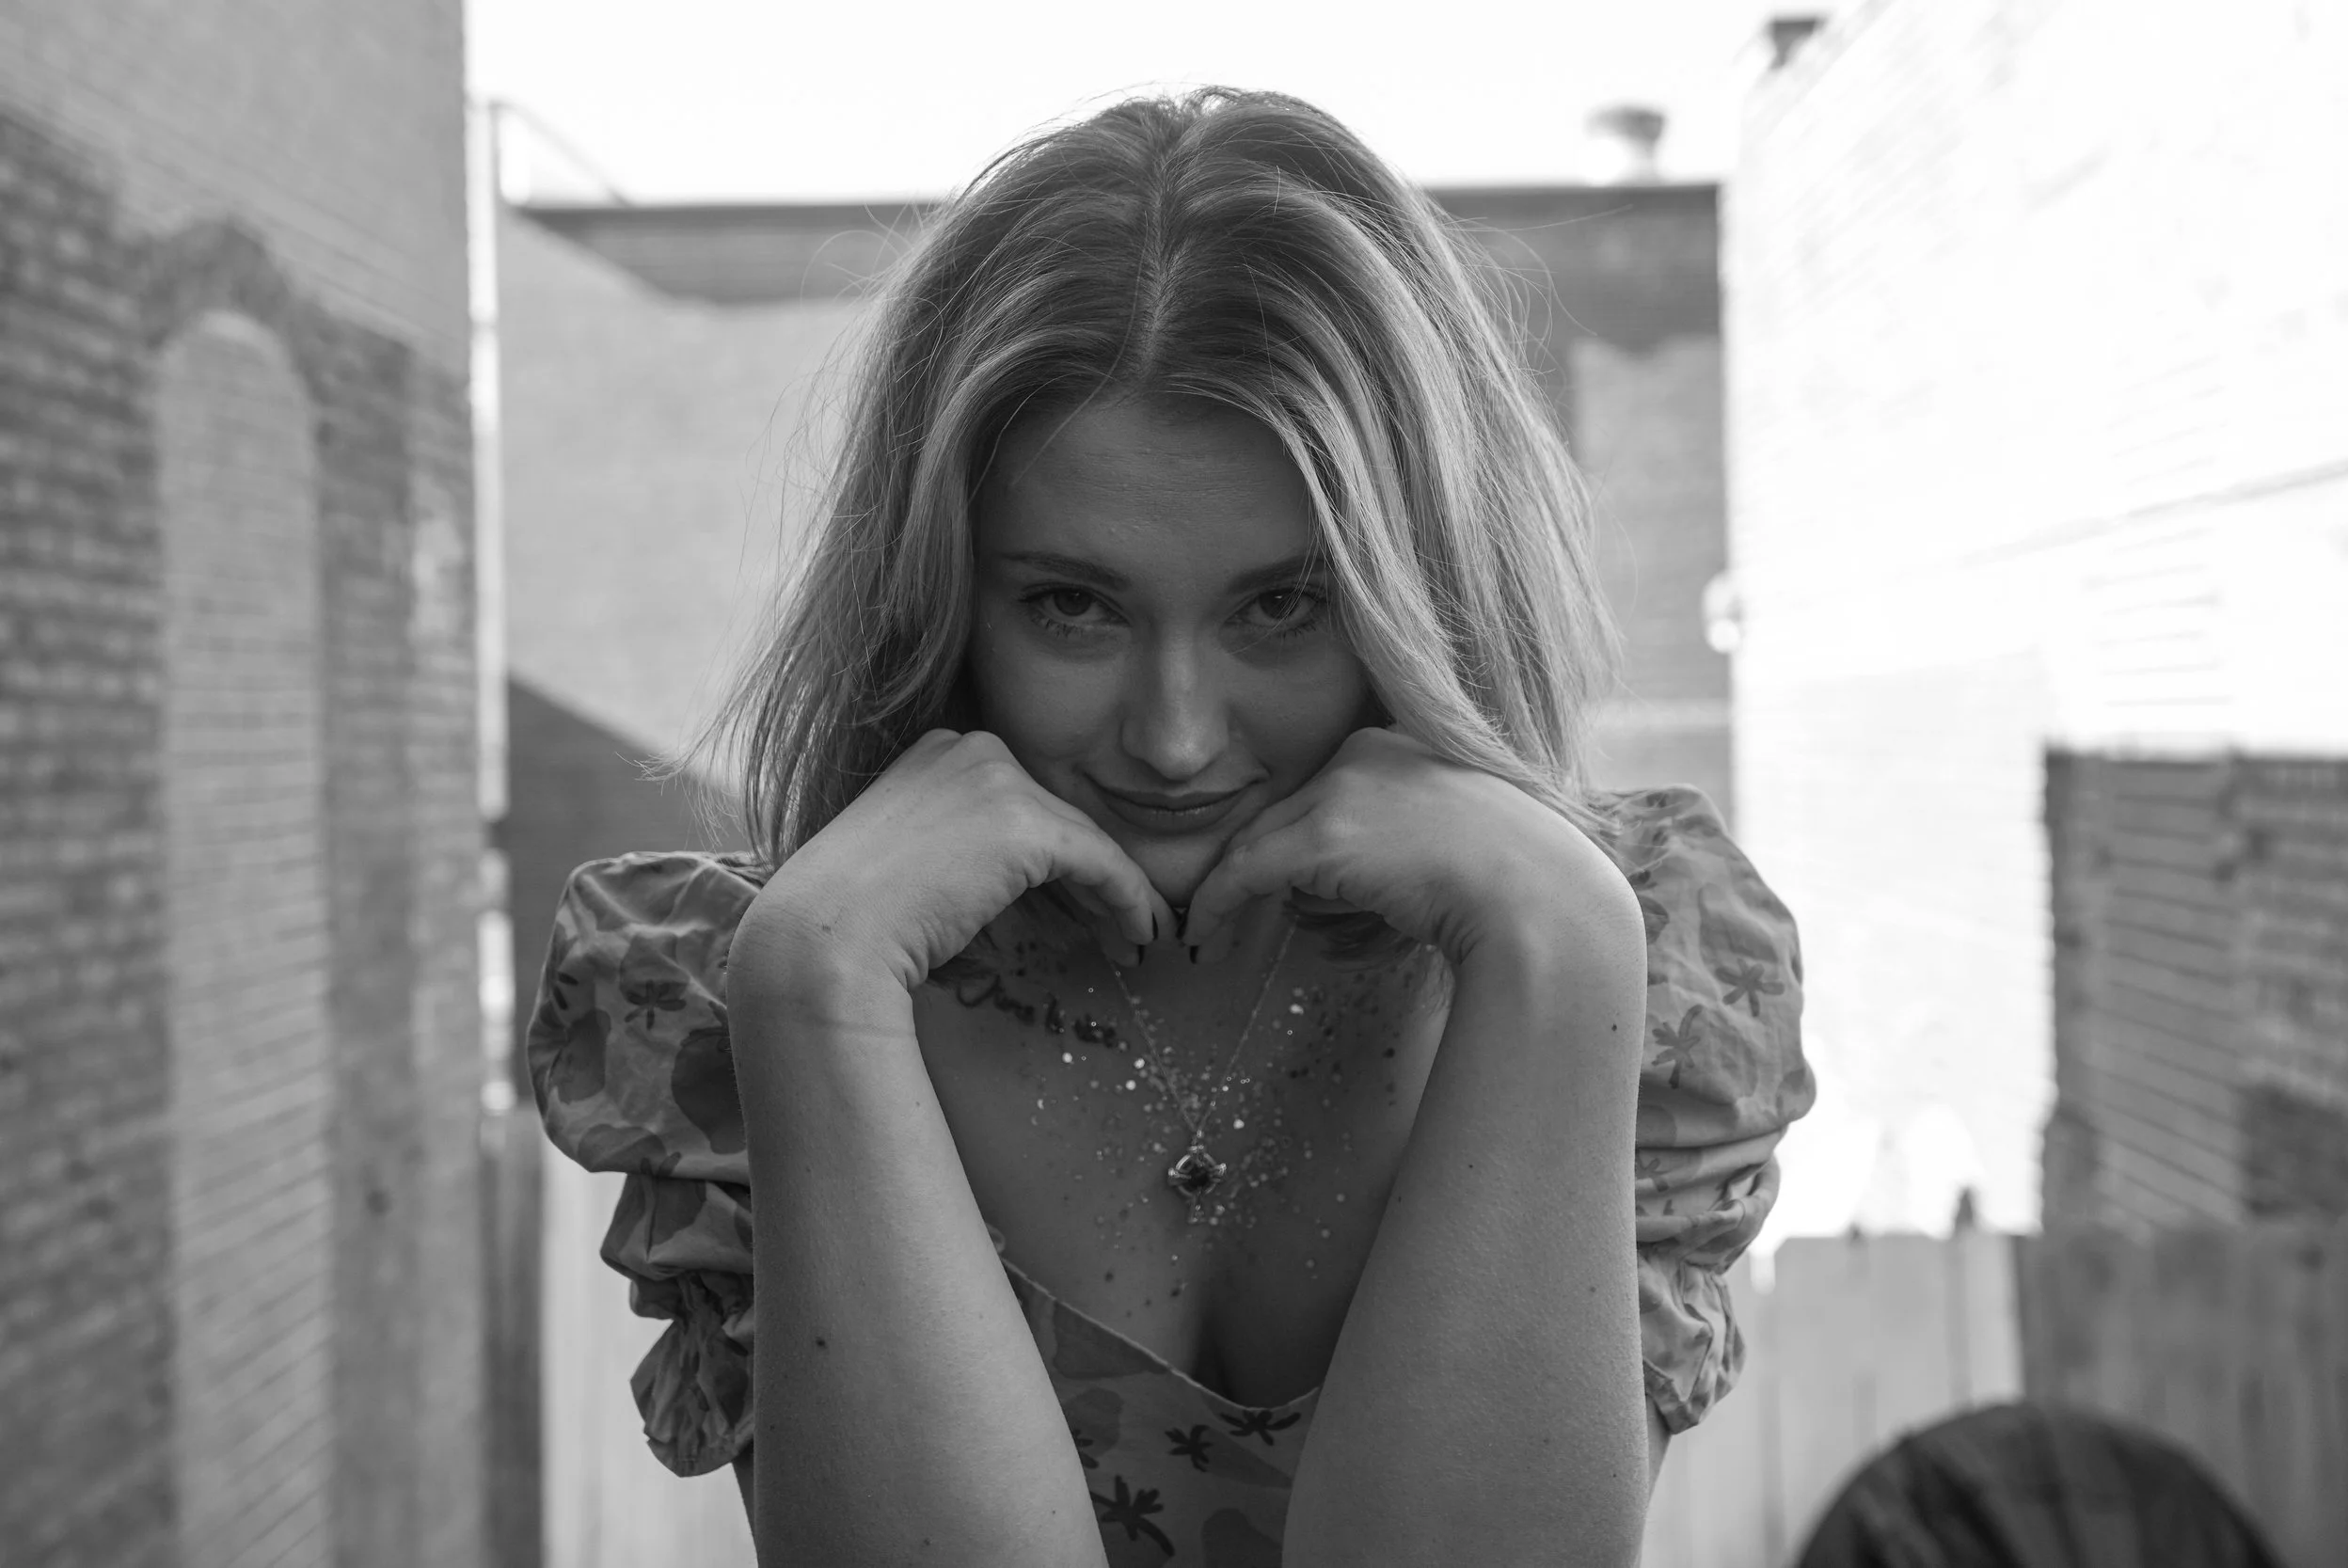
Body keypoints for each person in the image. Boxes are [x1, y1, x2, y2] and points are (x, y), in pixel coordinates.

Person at [526, 87, 1812, 1567]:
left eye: (1286, 604)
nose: (1176, 735)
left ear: (1431, 592)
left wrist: (1559, 946)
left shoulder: (1635, 976)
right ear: (941, 592)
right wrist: (817, 986)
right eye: (1074, 605)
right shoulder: (747, 994)